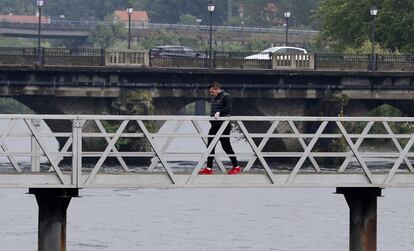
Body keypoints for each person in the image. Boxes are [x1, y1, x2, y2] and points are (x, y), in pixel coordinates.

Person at [198, 82, 241, 175]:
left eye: (212, 92)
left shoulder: (226, 96)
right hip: (214, 125)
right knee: (210, 145)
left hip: (224, 125)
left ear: (217, 89)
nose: (211, 94)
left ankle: (236, 166)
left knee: (226, 146)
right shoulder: (214, 98)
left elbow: (228, 109)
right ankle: (209, 168)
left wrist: (219, 112)